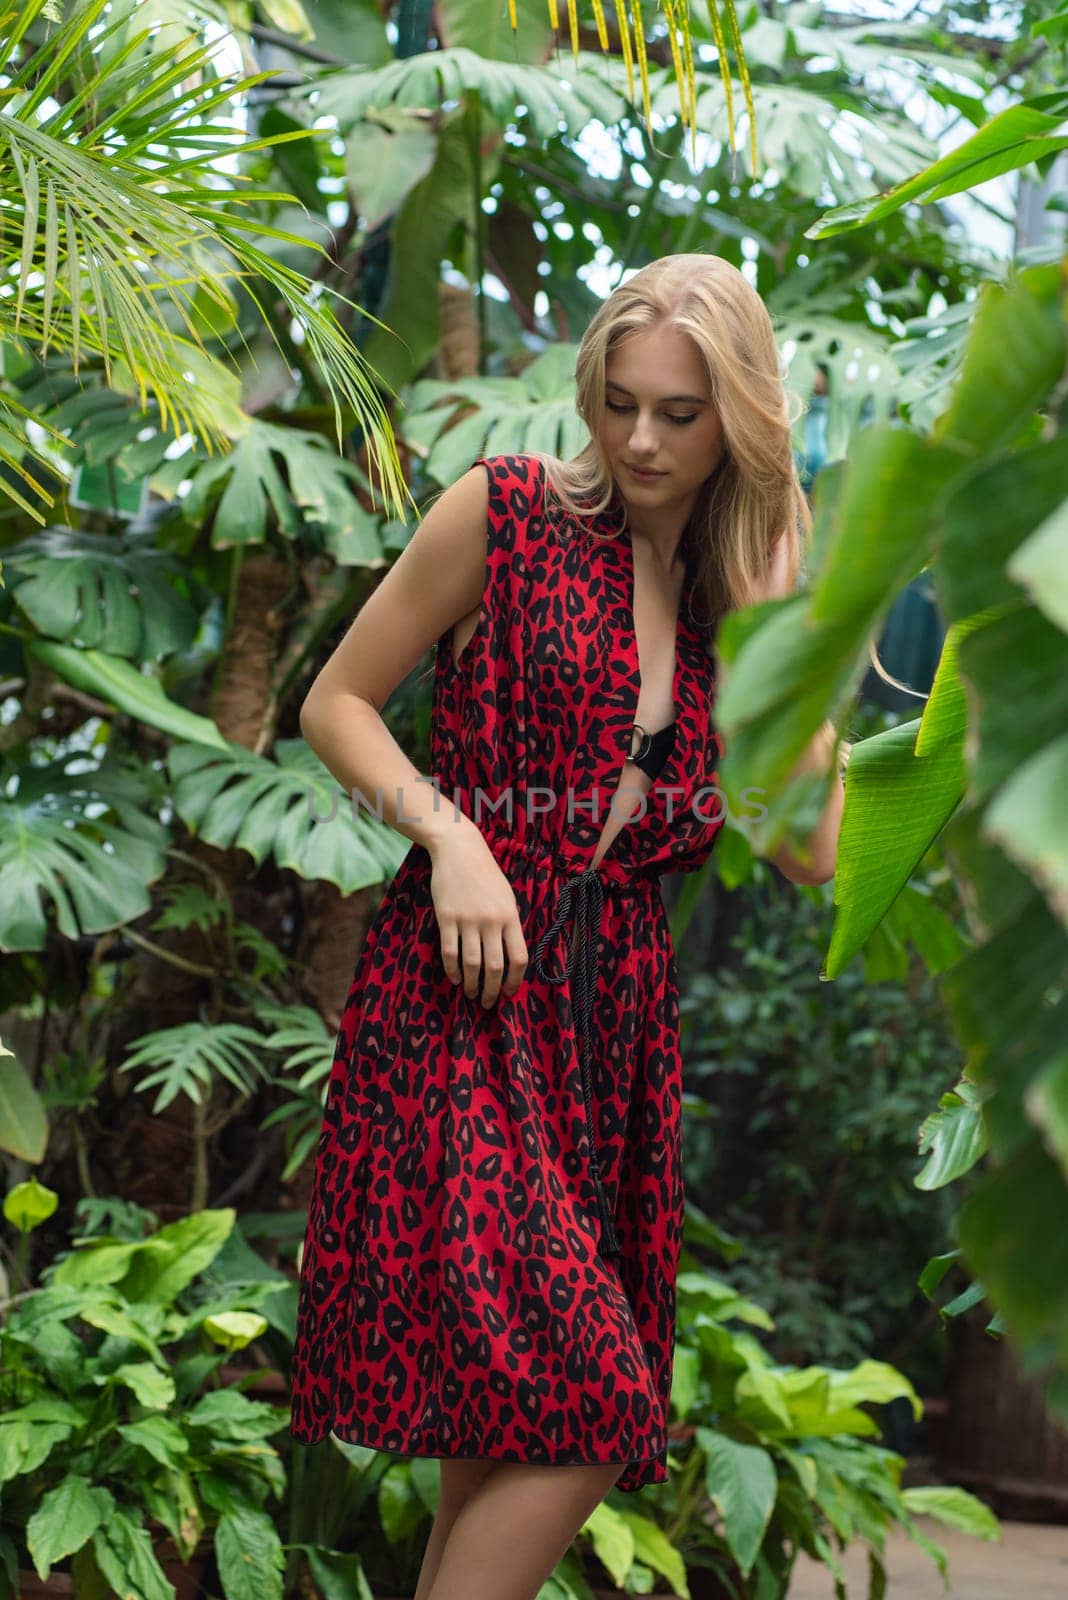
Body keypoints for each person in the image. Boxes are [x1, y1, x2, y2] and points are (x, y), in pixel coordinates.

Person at [289, 252, 845, 1600]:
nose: (639, 439)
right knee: (588, 1408)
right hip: (467, 1006)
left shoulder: (733, 600)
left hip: (614, 1036)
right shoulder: (509, 512)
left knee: (505, 1438)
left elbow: (813, 849)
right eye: (619, 402)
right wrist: (453, 832)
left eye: (680, 413)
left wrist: (777, 615)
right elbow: (336, 703)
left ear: (743, 419)